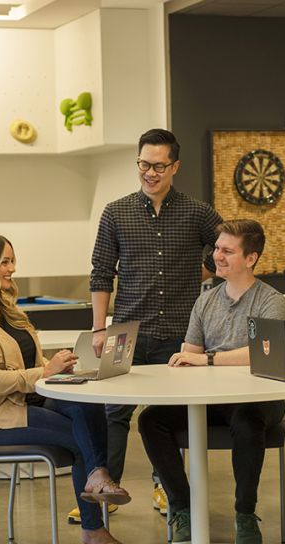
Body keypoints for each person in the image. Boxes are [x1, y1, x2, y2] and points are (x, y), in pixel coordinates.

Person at [0, 232, 137, 544]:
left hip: (31, 401)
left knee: (86, 403)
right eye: (5, 262)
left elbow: (32, 363)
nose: (12, 269)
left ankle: (98, 479)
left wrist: (61, 371)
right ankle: (94, 525)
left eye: (12, 260)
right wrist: (46, 374)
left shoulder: (9, 311)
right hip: (0, 420)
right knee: (82, 439)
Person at [88, 128, 223, 520]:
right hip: (123, 332)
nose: (150, 172)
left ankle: (166, 490)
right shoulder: (116, 212)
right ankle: (105, 494)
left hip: (181, 334)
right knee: (113, 415)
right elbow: (100, 273)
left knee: (171, 417)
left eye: (158, 166)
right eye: (143, 164)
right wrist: (99, 328)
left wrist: (193, 274)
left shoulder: (197, 212)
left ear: (174, 166)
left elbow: (227, 248)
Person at [137, 219, 285, 544]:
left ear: (251, 258)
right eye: (217, 248)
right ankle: (183, 510)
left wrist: (208, 359)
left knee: (247, 421)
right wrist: (187, 359)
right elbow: (191, 354)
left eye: (227, 251)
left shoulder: (269, 300)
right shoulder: (205, 300)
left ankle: (245, 513)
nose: (217, 256)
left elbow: (264, 354)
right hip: (211, 401)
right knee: (151, 420)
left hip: (258, 401)